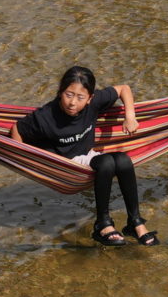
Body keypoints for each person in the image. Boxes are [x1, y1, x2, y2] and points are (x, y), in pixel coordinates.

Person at [11, 64, 157, 246]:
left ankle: (135, 223)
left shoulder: (94, 103)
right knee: (106, 163)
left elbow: (123, 89)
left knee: (123, 160)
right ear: (60, 92)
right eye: (68, 94)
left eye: (80, 97)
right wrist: (23, 160)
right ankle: (103, 225)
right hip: (62, 165)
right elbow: (17, 128)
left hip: (86, 156)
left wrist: (130, 116)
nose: (73, 102)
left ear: (90, 98)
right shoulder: (45, 116)